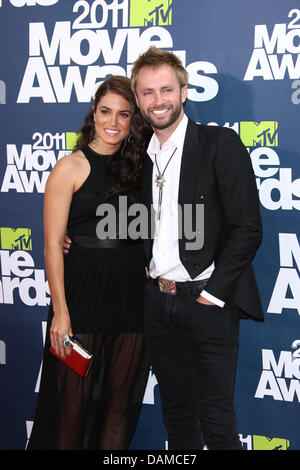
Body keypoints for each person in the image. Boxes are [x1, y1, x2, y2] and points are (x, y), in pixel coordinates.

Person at [130, 46, 264, 450]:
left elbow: (248, 228)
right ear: (137, 99)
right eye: (148, 92)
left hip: (207, 304)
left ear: (184, 92)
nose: (158, 101)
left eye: (166, 90)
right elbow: (125, 220)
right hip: (159, 304)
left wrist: (213, 294)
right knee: (178, 418)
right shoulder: (140, 156)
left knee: (218, 422)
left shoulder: (219, 144)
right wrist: (74, 239)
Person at [27, 76, 150, 450]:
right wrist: (61, 313)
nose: (113, 122)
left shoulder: (142, 167)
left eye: (123, 114)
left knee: (117, 406)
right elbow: (51, 246)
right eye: (105, 112)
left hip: (130, 295)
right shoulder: (70, 167)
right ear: (93, 114)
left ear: (133, 121)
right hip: (81, 297)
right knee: (72, 406)